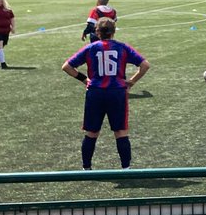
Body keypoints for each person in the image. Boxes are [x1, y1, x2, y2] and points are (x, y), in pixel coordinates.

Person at [62, 17, 149, 169]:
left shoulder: (91, 48)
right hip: (117, 93)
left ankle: (86, 168)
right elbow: (145, 65)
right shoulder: (123, 47)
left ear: (97, 32)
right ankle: (126, 168)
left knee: (91, 132)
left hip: (95, 93)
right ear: (114, 32)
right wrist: (132, 82)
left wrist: (84, 79)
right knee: (120, 131)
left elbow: (67, 66)